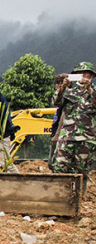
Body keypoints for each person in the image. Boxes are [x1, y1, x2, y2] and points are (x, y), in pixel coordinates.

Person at [49, 62, 96, 195]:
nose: (83, 76)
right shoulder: (69, 92)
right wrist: (63, 87)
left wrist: (89, 89)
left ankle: (77, 199)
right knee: (60, 167)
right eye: (79, 73)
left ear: (91, 75)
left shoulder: (94, 92)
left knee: (82, 171)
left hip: (86, 139)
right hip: (67, 137)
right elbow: (56, 102)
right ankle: (60, 197)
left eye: (86, 73)